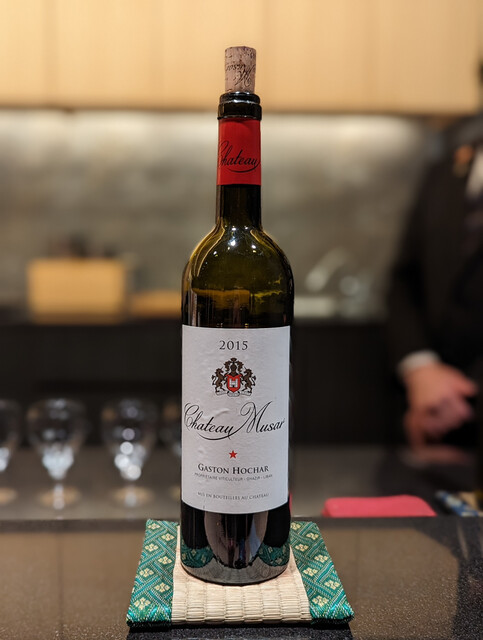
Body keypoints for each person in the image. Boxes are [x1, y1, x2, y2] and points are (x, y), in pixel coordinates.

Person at [386, 115, 483, 457]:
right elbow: (405, 280)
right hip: (433, 422)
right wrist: (421, 369)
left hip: (455, 410)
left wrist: (463, 396)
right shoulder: (447, 169)